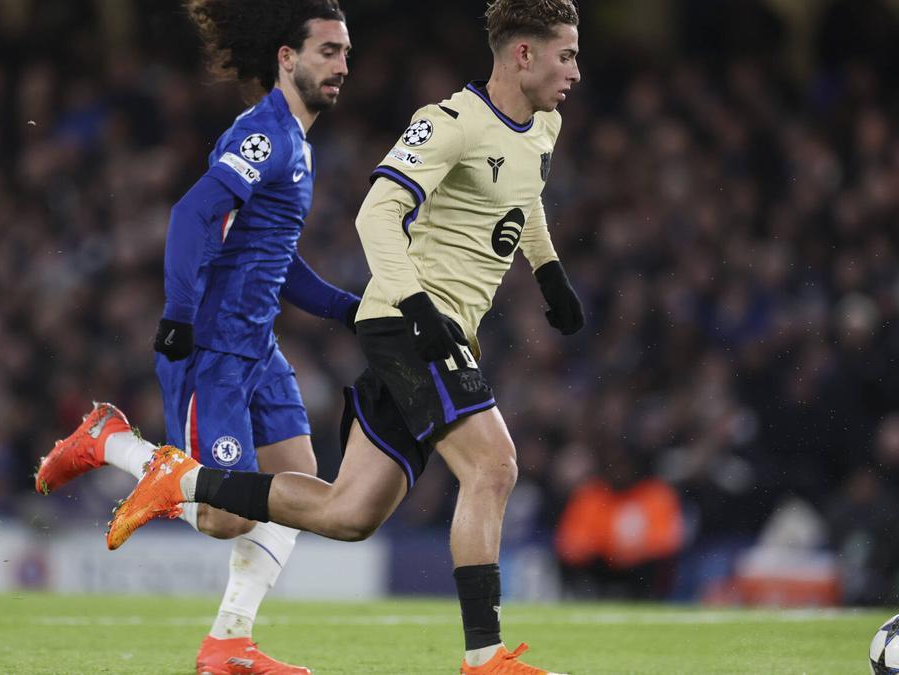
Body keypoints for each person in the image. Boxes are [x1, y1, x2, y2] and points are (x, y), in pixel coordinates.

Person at [107, 0, 584, 671]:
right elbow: (372, 213)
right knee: (494, 464)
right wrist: (412, 307)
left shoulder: (542, 126)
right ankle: (486, 657)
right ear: (524, 54)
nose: (577, 72)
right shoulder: (445, 123)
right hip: (409, 324)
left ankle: (187, 484)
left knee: (347, 512)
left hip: (417, 327)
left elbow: (524, 194)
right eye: (566, 55)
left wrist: (549, 269)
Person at [33, 2, 357, 673]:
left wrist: (352, 310)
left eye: (346, 53)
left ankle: (229, 641)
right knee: (225, 515)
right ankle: (111, 441)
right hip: (212, 346)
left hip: (256, 346)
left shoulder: (298, 145)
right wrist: (179, 311)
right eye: (328, 51)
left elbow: (277, 260)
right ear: (286, 58)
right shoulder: (265, 134)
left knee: (297, 487)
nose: (342, 65)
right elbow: (194, 211)